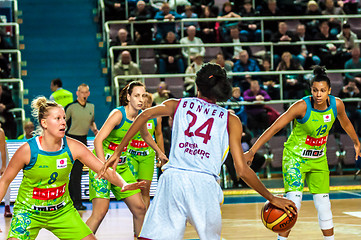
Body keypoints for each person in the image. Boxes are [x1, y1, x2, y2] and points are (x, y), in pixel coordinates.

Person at [101, 63, 296, 240]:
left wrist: (118, 151)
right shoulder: (230, 119)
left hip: (173, 179)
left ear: (197, 86)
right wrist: (271, 197)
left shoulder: (178, 105)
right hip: (203, 184)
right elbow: (242, 170)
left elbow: (143, 115)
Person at [0, 96, 145, 240]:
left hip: (62, 211)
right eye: (57, 119)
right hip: (28, 211)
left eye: (64, 118)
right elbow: (4, 181)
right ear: (44, 123)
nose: (63, 122)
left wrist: (123, 184)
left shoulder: (73, 147)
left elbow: (103, 169)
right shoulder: (28, 150)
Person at [245, 66, 361, 240]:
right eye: (315, 90)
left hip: (318, 158)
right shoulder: (301, 107)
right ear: (311, 90)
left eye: (322, 90)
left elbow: (346, 123)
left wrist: (356, 142)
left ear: (329, 91)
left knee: (324, 204)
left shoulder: (337, 105)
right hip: (295, 159)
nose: (318, 94)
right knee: (293, 204)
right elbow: (274, 127)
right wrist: (252, 150)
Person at [85, 81, 166, 237]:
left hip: (121, 167)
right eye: (136, 95)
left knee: (140, 208)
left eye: (143, 95)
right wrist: (103, 167)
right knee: (100, 212)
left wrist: (159, 152)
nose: (141, 99)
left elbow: (145, 135)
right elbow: (98, 140)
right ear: (128, 97)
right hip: (101, 166)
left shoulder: (140, 116)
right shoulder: (118, 115)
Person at [127, 92, 165, 208]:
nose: (145, 105)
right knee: (134, 189)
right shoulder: (131, 115)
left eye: (148, 103)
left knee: (145, 189)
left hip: (147, 156)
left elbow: (159, 135)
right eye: (143, 102)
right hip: (131, 155)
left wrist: (161, 154)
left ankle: (144, 217)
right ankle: (137, 214)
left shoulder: (156, 118)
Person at [65, 84, 99, 211]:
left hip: (83, 139)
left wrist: (95, 130)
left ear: (88, 93)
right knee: (71, 172)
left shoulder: (91, 107)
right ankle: (72, 200)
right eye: (82, 92)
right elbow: (63, 122)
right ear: (77, 93)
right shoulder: (70, 107)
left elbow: (91, 121)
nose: (84, 94)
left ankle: (77, 201)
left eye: (86, 92)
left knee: (78, 172)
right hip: (71, 139)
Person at [0, 124, 12, 217]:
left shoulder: (0, 132)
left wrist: (4, 166)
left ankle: (7, 205)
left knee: (5, 180)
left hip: (2, 156)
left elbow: (2, 150)